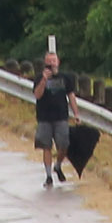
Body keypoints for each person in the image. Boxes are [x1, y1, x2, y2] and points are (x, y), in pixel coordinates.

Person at [34, 52, 77, 187]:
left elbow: (71, 96)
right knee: (46, 146)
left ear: (58, 62)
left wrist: (76, 114)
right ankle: (48, 176)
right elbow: (37, 95)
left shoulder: (65, 78)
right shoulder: (39, 78)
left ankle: (58, 165)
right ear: (45, 63)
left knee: (64, 145)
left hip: (61, 116)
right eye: (49, 61)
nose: (52, 64)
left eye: (54, 61)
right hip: (44, 117)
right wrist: (44, 80)